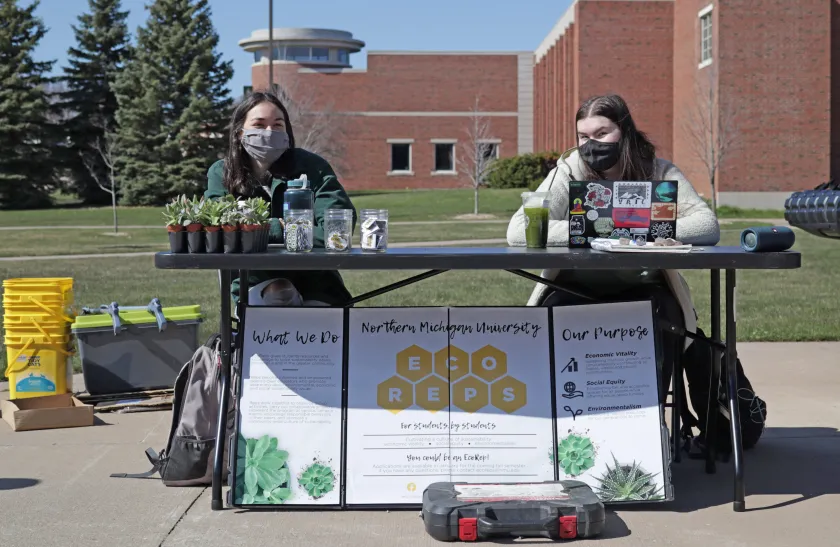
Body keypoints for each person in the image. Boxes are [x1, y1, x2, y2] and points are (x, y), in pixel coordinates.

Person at [506, 94, 721, 398]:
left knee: (666, 322)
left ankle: (651, 419)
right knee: (550, 320)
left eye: (602, 134)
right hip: (573, 286)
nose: (592, 144)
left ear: (625, 131)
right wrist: (596, 232)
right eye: (584, 136)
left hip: (647, 287)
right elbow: (518, 231)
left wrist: (639, 233)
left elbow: (707, 225)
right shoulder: (569, 170)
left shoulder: (658, 172)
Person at [205, 91, 357, 307]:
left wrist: (264, 232)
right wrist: (282, 228)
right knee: (281, 293)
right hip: (256, 282)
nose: (269, 132)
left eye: (278, 125)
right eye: (259, 125)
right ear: (240, 133)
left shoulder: (313, 167)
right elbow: (223, 232)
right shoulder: (222, 173)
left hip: (318, 283)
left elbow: (338, 232)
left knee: (321, 322)